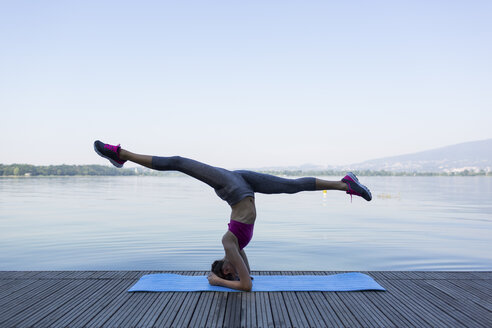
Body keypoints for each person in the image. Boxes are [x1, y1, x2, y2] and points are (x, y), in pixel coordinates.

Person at [93, 140, 372, 292]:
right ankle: (344, 184)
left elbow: (243, 280)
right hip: (242, 185)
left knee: (178, 163)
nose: (235, 267)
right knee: (292, 186)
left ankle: (122, 155)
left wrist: (218, 280)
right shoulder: (235, 248)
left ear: (226, 267)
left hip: (232, 188)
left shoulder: (229, 243)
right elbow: (247, 282)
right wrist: (225, 280)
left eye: (230, 269)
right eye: (233, 269)